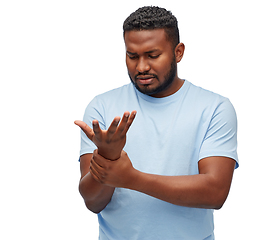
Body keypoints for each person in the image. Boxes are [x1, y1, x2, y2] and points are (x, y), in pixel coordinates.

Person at [75, 6, 239, 240]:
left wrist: (132, 178)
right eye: (132, 56)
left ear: (178, 52)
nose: (141, 67)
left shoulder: (214, 108)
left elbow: (215, 192)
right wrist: (108, 156)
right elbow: (93, 202)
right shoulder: (102, 107)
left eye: (152, 55)